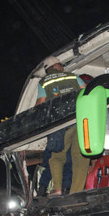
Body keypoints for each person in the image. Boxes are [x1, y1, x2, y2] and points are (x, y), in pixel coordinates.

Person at [35, 56, 90, 195]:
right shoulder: (74, 77)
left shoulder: (44, 82)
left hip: (59, 124)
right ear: (58, 66)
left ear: (48, 70)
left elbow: (40, 105)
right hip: (78, 120)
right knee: (80, 157)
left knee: (56, 156)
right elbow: (86, 94)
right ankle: (76, 192)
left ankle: (58, 188)